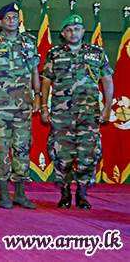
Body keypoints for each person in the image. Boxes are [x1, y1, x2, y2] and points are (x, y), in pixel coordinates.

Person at [40, 14, 113, 210]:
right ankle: (64, 191)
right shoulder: (54, 53)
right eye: (69, 30)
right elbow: (46, 80)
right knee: (62, 154)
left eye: (77, 29)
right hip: (62, 114)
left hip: (89, 113)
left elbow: (106, 79)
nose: (74, 33)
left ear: (83, 31)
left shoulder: (96, 52)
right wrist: (44, 107)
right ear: (63, 34)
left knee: (88, 153)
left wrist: (107, 107)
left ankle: (82, 192)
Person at [0, 2, 41, 209]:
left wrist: (38, 95)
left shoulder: (29, 42)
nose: (11, 21)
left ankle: (20, 194)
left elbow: (34, 71)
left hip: (23, 106)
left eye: (14, 17)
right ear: (0, 22)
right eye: (7, 18)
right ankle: (4, 194)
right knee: (1, 149)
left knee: (22, 149)